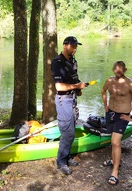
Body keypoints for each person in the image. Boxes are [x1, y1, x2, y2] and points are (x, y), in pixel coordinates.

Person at [101, 61, 132, 186]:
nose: (118, 70)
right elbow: (103, 91)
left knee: (115, 142)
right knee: (112, 140)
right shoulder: (109, 81)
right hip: (111, 114)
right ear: (113, 69)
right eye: (115, 68)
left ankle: (115, 172)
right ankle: (114, 160)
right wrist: (105, 106)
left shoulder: (130, 84)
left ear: (125, 69)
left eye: (120, 68)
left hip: (122, 116)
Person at [51, 36, 88, 175]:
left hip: (72, 99)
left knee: (71, 129)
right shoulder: (58, 62)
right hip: (63, 100)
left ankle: (66, 156)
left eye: (76, 46)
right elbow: (59, 86)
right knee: (68, 132)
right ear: (65, 45)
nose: (74, 49)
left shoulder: (72, 61)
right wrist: (76, 85)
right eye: (72, 46)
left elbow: (74, 77)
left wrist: (78, 89)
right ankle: (61, 161)